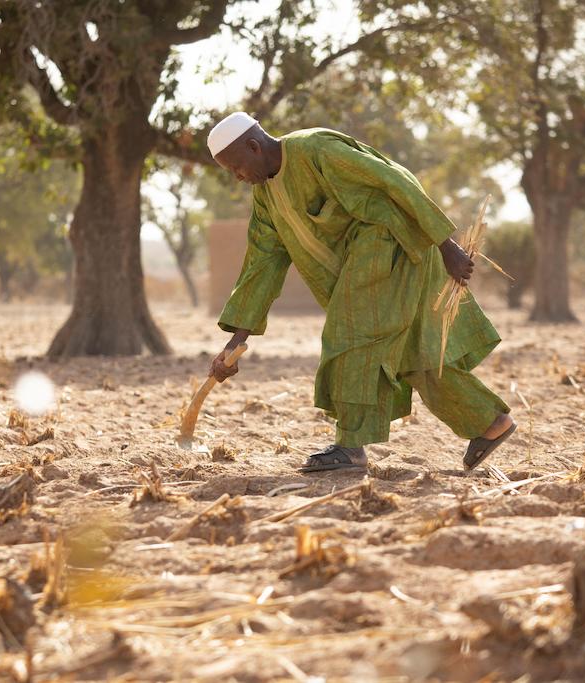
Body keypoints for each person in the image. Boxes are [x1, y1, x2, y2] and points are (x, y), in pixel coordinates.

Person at [206, 112, 516, 472]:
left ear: (254, 146)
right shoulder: (265, 199)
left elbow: (394, 181)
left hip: (389, 245)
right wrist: (236, 343)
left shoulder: (316, 148)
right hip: (369, 267)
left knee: (349, 337)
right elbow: (263, 264)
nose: (238, 177)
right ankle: (490, 424)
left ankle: (350, 447)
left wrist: (446, 246)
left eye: (236, 168)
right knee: (414, 354)